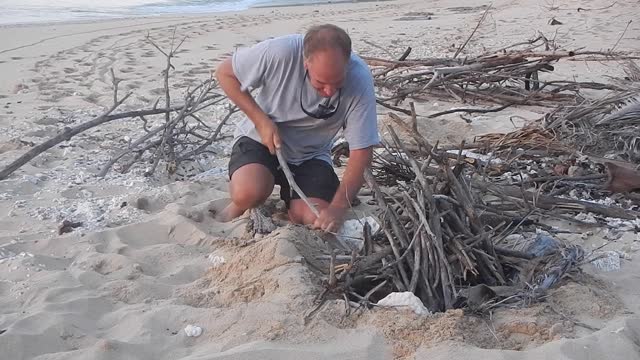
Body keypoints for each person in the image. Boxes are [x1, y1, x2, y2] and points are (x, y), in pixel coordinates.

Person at [214, 23, 379, 232]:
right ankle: (238, 206)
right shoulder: (280, 52)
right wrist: (261, 121)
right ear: (305, 63)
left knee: (313, 218)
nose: (329, 92)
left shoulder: (360, 78)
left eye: (337, 83)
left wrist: (338, 208)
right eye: (320, 83)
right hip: (261, 140)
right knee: (249, 192)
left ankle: (293, 204)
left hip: (311, 154)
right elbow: (224, 73)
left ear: (347, 64)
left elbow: (362, 151)